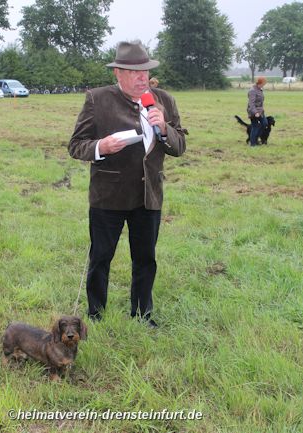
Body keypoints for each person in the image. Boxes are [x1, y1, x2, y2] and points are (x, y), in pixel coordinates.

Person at [68, 41, 187, 328]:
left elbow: (180, 145)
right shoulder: (97, 99)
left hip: (148, 195)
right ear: (118, 73)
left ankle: (143, 314)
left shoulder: (164, 100)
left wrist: (164, 128)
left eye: (145, 71)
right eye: (134, 72)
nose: (142, 78)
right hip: (108, 196)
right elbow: (76, 145)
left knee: (145, 259)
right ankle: (96, 315)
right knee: (101, 258)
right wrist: (101, 147)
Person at [247, 76, 268, 145]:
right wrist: (255, 112)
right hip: (253, 111)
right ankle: (253, 144)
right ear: (261, 83)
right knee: (255, 126)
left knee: (265, 123)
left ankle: (255, 139)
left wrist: (260, 111)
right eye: (264, 82)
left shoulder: (259, 89)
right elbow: (251, 103)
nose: (265, 84)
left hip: (260, 111)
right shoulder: (252, 91)